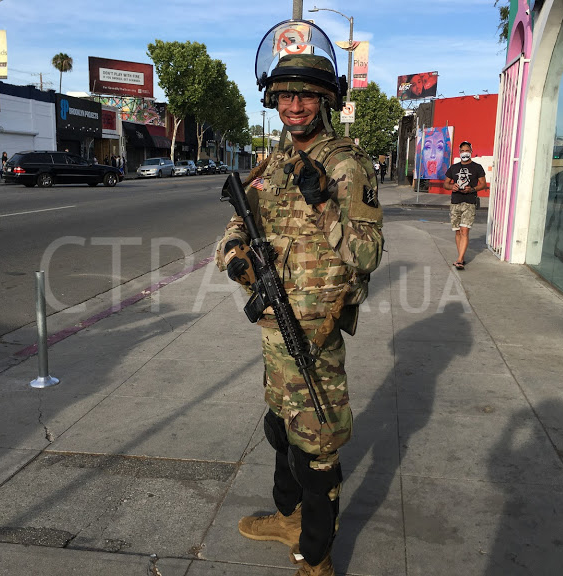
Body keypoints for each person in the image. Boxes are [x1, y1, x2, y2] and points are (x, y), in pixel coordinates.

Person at [215, 20, 383, 576]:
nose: (294, 105)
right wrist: (237, 257)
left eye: (306, 95)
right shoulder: (275, 160)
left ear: (325, 99)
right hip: (273, 322)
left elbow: (366, 254)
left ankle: (317, 554)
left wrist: (326, 204)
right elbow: (239, 224)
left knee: (316, 444)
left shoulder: (345, 164)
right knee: (279, 424)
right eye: (285, 94)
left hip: (312, 329)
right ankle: (289, 515)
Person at [443, 141, 486, 269]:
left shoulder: (477, 167)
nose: (464, 153)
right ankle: (460, 256)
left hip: (469, 202)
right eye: (462, 151)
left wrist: (472, 189)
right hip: (455, 201)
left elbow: (483, 184)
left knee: (464, 230)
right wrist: (452, 186)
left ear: (471, 151)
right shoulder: (453, 168)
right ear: (459, 152)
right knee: (457, 231)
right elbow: (445, 184)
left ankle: (460, 259)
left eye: (467, 150)